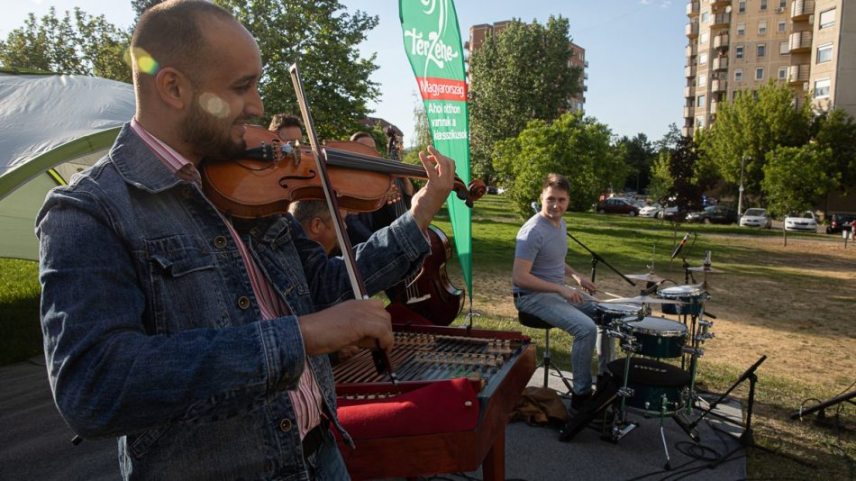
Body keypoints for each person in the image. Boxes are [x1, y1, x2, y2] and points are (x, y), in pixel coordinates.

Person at [35, 2, 455, 480]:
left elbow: (328, 285)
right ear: (172, 87)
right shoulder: (88, 210)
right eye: (241, 87)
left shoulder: (247, 185)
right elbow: (94, 387)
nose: (257, 106)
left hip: (320, 453)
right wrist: (300, 336)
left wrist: (419, 213)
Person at [511, 173, 611, 409]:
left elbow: (553, 261)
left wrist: (576, 276)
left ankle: (607, 379)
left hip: (556, 292)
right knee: (586, 329)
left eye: (561, 200)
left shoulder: (560, 224)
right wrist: (561, 289)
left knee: (607, 314)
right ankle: (581, 396)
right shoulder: (532, 231)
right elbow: (520, 277)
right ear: (541, 198)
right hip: (530, 297)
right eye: (550, 199)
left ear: (568, 201)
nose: (556, 205)